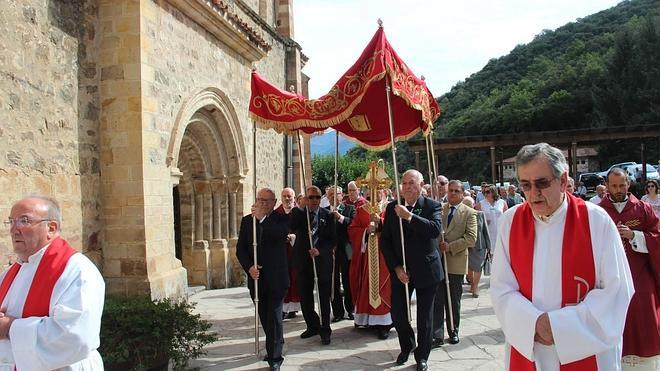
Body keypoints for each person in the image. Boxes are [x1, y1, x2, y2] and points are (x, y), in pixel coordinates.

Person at [490, 143, 634, 370]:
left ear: (563, 180)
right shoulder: (510, 221)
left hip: (586, 350)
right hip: (532, 346)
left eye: (542, 183)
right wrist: (533, 323)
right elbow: (501, 287)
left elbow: (617, 290)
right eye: (526, 185)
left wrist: (558, 327)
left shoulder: (596, 220)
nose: (533, 193)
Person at [1, 196, 105, 370]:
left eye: (24, 221)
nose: (13, 229)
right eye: (11, 221)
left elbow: (74, 336)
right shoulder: (10, 274)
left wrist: (10, 327)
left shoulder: (77, 271)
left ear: (51, 228)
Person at [381, 170, 443, 371]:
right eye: (404, 183)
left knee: (424, 317)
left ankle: (422, 356)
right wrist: (397, 268)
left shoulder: (432, 206)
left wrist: (409, 217)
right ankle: (407, 345)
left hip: (426, 270)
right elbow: (386, 242)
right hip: (402, 272)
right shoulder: (392, 208)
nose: (407, 187)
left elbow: (434, 230)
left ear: (422, 184)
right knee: (398, 313)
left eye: (412, 183)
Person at [598, 168, 660, 370]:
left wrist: (634, 236)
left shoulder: (642, 209)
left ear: (629, 184)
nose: (618, 189)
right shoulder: (598, 212)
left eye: (622, 185)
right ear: (607, 186)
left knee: (644, 316)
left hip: (640, 276)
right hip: (608, 279)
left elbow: (658, 237)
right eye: (614, 185)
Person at [236, 188, 289, 370]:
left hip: (276, 277)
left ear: (274, 203)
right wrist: (249, 267)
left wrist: (263, 219)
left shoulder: (281, 219)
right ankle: (276, 341)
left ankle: (275, 358)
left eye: (267, 201)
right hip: (257, 278)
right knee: (265, 316)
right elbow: (240, 249)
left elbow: (279, 235)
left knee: (274, 316)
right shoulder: (246, 221)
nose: (263, 203)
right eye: (260, 199)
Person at [289, 185, 336, 345]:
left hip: (322, 261)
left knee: (323, 297)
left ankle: (325, 329)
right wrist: (301, 206)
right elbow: (291, 225)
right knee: (305, 296)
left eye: (317, 197)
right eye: (311, 197)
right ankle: (312, 325)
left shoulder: (328, 215)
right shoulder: (299, 214)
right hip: (303, 261)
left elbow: (332, 240)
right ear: (305, 199)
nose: (314, 200)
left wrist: (320, 250)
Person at [432, 180, 477, 348]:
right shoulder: (439, 208)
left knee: (453, 299)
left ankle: (453, 330)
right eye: (450, 190)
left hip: (456, 262)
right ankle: (437, 334)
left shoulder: (469, 213)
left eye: (456, 191)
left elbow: (471, 238)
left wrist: (450, 246)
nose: (452, 193)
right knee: (438, 299)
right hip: (438, 261)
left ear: (462, 193)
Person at [348, 189, 392, 339]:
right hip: (367, 255)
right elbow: (352, 229)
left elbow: (397, 229)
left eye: (378, 190)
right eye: (370, 191)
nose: (374, 194)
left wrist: (381, 223)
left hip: (386, 255)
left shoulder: (390, 208)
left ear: (384, 191)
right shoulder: (361, 210)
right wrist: (365, 231)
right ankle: (367, 319)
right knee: (367, 285)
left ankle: (384, 322)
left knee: (384, 286)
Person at [325, 186, 356, 323]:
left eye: (335, 194)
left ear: (341, 195)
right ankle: (337, 311)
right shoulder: (324, 211)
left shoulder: (350, 209)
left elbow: (354, 224)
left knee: (348, 280)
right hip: (331, 251)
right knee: (334, 282)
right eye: (329, 194)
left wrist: (341, 218)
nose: (332, 196)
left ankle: (350, 309)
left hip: (346, 249)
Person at [274, 187, 300, 319]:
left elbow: (304, 231)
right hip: (281, 252)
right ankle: (283, 308)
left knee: (294, 279)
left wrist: (294, 237)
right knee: (283, 279)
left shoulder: (299, 213)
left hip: (295, 252)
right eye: (284, 196)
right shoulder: (276, 214)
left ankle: (293, 308)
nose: (287, 198)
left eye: (289, 196)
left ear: (294, 198)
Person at [463, 196, 490, 298]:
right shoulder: (461, 215)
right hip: (466, 245)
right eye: (465, 205)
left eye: (469, 204)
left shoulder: (480, 214)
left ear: (473, 205)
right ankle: (472, 284)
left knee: (478, 267)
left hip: (479, 245)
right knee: (469, 267)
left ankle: (476, 286)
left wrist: (489, 246)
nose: (468, 207)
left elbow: (485, 230)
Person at [476, 184, 508, 250]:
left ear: (493, 192)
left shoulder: (502, 202)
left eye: (487, 192)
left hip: (501, 232)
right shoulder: (480, 204)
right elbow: (476, 220)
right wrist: (483, 222)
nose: (485, 194)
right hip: (487, 233)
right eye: (484, 192)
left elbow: (507, 217)